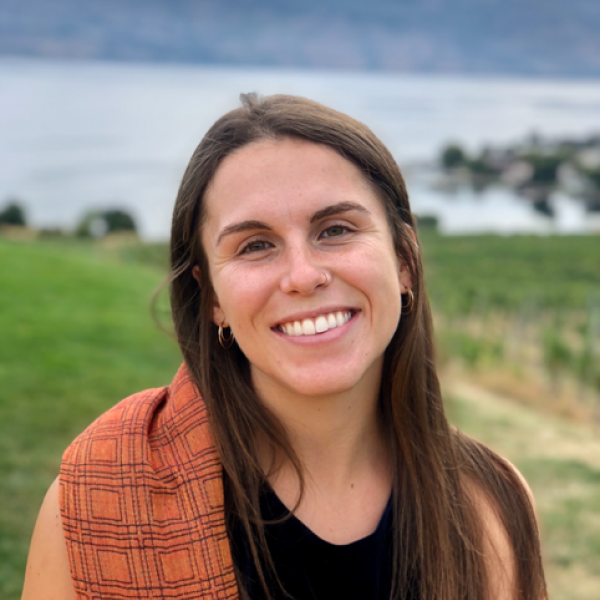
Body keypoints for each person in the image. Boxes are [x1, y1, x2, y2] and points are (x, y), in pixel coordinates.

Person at [22, 94, 547, 600]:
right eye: (255, 245)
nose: (302, 275)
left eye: (335, 229)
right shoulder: (98, 500)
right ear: (212, 299)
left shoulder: (489, 502)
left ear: (405, 261)